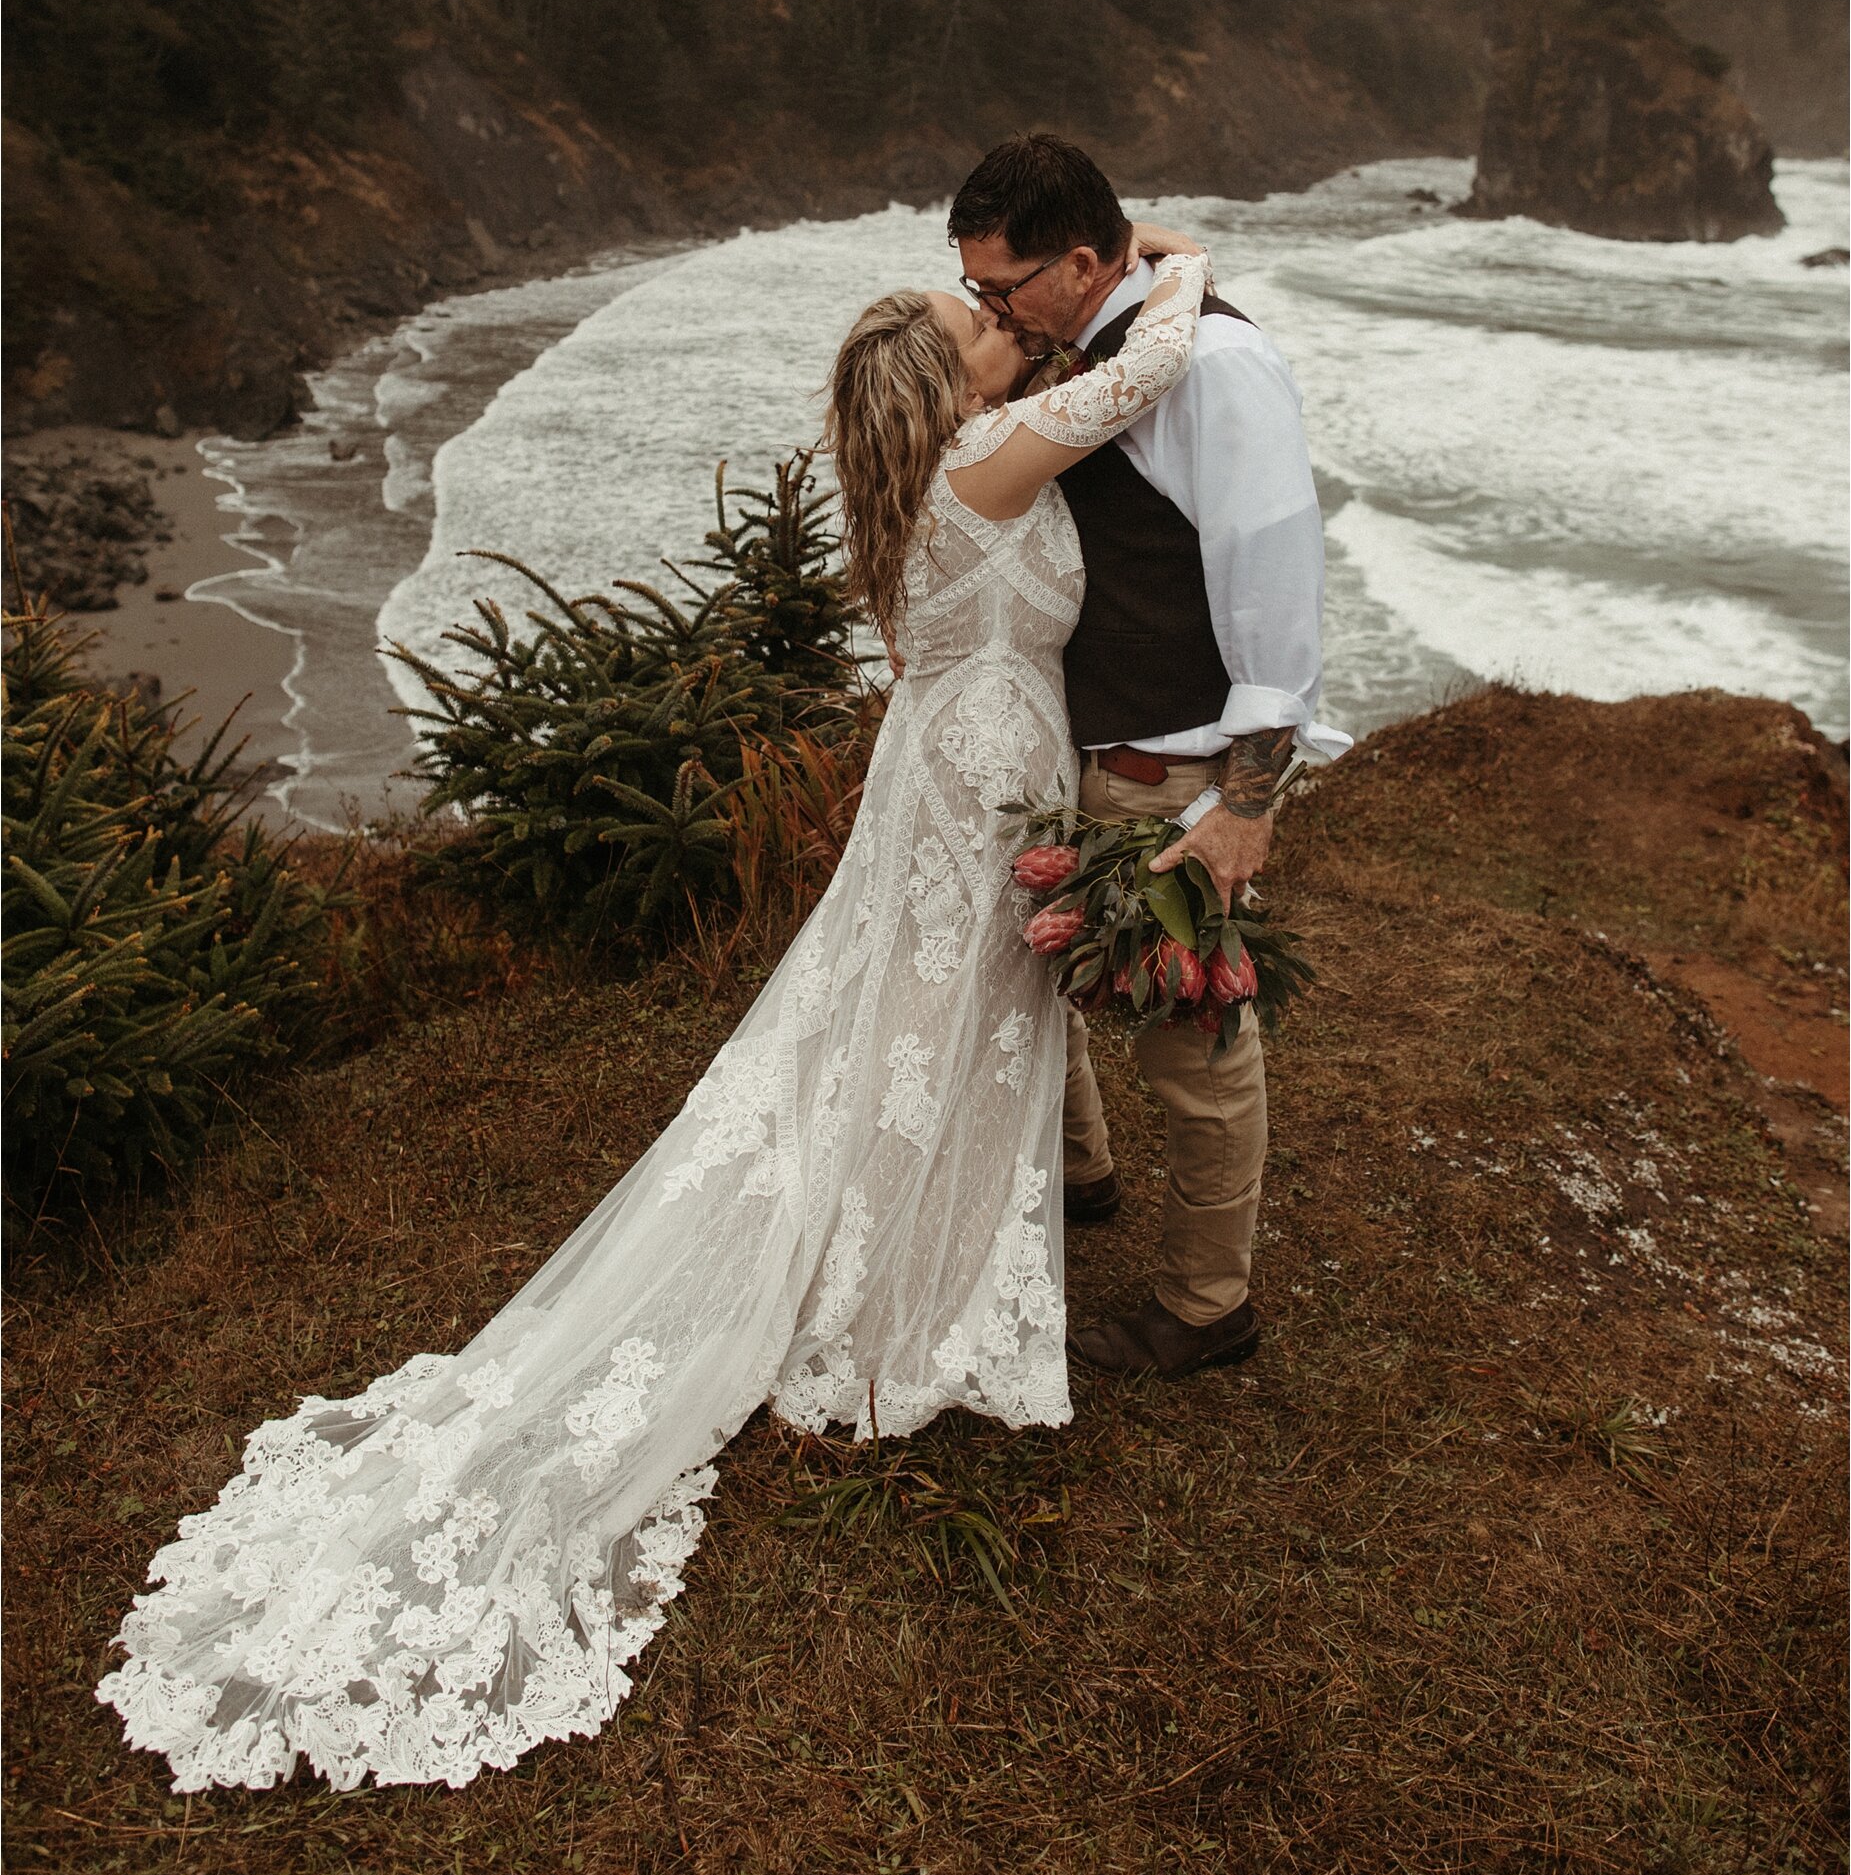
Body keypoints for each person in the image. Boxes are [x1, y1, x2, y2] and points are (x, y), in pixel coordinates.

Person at [97, 228, 1212, 1796]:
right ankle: (897, 1310)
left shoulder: (918, 474)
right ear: (936, 389)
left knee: (921, 1024)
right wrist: (1178, 260)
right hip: (981, 764)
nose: (990, 318)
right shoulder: (986, 462)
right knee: (944, 1027)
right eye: (970, 318)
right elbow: (1153, 362)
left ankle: (915, 1258)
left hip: (953, 756)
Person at [950, 132, 1350, 1383]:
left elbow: (1274, 587)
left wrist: (1247, 806)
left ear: (1078, 265)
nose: (987, 313)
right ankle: (1084, 1180)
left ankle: (1204, 1303)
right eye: (974, 293)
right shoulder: (1098, 344)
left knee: (1197, 1046)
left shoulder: (1217, 368)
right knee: (1049, 991)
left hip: (1171, 771)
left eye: (1001, 290)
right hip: (1075, 750)